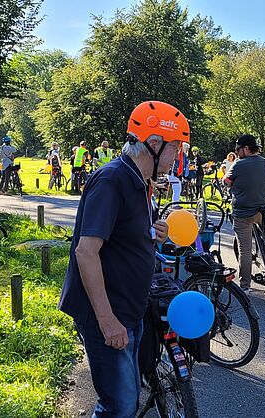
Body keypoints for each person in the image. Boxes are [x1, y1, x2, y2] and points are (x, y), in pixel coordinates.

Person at [58, 100, 180, 418]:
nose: (177, 157)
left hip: (129, 306)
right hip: (108, 312)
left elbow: (123, 234)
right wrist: (107, 320)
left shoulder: (140, 181)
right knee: (120, 406)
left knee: (126, 399)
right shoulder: (112, 180)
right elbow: (86, 252)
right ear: (154, 144)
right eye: (175, 148)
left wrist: (154, 231)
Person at [224, 134, 265, 292]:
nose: (237, 152)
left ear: (246, 149)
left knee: (245, 250)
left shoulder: (238, 164)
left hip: (243, 213)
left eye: (238, 149)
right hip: (262, 211)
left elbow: (226, 181)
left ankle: (245, 286)